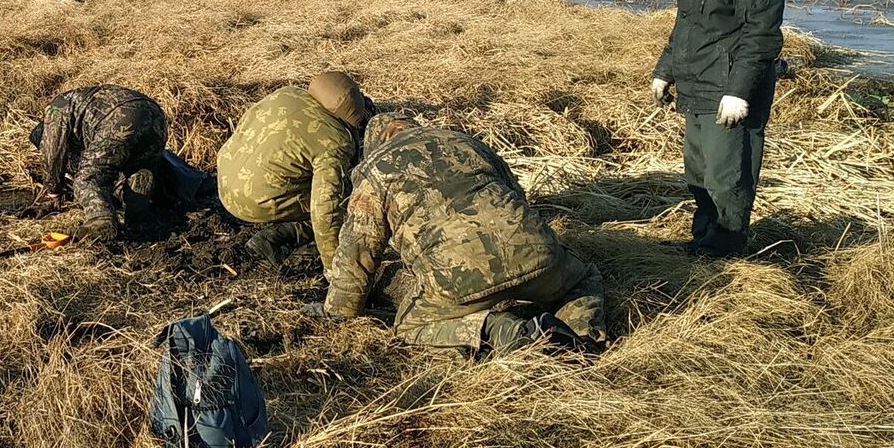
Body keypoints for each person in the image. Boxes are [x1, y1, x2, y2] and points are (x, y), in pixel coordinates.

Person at [315, 114, 607, 357]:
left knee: (410, 328)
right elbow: (518, 198)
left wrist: (340, 313)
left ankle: (498, 330)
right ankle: (582, 338)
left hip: (456, 279)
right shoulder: (468, 143)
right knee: (581, 280)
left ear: (375, 144)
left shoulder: (375, 169)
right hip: (535, 252)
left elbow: (357, 253)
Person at [651, 0, 786, 257]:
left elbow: (761, 37)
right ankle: (704, 239)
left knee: (727, 175)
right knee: (698, 174)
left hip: (728, 89)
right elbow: (685, 26)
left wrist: (738, 91)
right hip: (697, 87)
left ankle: (727, 245)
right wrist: (665, 71)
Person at [217, 71, 374, 269]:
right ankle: (275, 239)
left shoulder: (287, 94)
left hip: (224, 176)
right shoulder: (335, 141)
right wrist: (335, 268)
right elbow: (326, 209)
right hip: (250, 201)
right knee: (349, 200)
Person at [29, 84, 169, 240]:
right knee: (131, 169)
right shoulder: (78, 102)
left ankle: (100, 219)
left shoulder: (56, 108)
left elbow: (53, 154)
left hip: (119, 118)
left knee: (87, 178)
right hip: (155, 115)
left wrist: (53, 191)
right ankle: (136, 184)